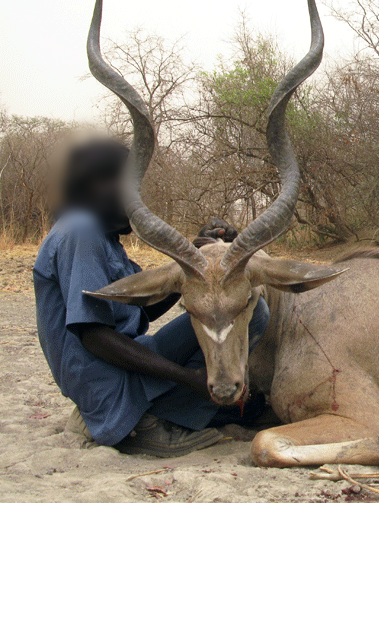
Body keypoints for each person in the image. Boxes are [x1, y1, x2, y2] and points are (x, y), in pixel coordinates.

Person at [33, 140, 268, 458]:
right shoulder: (80, 230)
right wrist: (188, 378)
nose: (139, 201)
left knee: (235, 311)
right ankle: (147, 425)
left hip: (121, 367)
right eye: (132, 188)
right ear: (96, 185)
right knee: (254, 314)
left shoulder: (106, 240)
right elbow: (94, 337)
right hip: (104, 379)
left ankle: (173, 410)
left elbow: (145, 307)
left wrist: (192, 261)